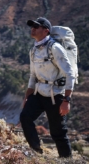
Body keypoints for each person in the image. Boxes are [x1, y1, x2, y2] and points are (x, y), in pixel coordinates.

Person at [20, 17, 75, 158]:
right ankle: (36, 150)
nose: (33, 28)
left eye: (36, 27)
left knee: (58, 132)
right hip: (39, 92)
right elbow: (33, 75)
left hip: (55, 95)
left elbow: (70, 74)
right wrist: (27, 97)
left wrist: (66, 100)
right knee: (25, 116)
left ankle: (67, 160)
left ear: (46, 31)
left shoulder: (55, 48)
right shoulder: (33, 50)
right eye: (32, 26)